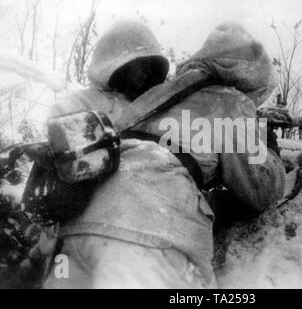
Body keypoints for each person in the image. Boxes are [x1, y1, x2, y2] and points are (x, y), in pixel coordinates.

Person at [43, 20, 287, 289]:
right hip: (153, 237)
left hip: (78, 230)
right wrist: (268, 142)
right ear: (250, 78)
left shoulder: (154, 95)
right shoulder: (231, 102)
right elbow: (263, 190)